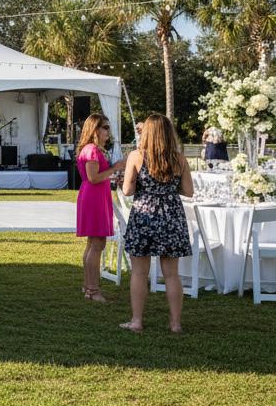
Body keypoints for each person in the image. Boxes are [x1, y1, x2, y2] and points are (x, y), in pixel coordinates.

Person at [119, 114, 194, 333]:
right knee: (172, 273)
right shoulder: (179, 159)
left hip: (144, 215)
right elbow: (188, 191)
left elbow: (127, 191)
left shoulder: (136, 156)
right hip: (171, 216)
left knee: (139, 272)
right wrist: (168, 190)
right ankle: (175, 323)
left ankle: (136, 321)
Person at [75, 114, 128, 303]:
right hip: (94, 196)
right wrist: (115, 168)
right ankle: (93, 290)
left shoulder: (95, 149)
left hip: (97, 195)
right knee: (96, 244)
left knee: (94, 244)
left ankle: (88, 287)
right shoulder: (91, 150)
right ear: (95, 129)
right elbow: (93, 177)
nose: (108, 131)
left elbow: (98, 176)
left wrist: (113, 177)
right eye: (105, 127)